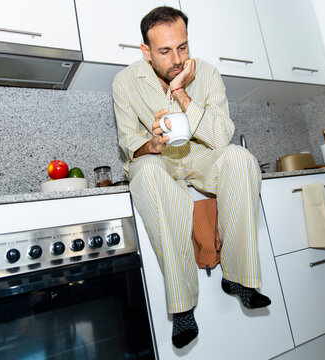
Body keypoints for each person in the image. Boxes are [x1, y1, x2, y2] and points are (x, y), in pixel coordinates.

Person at [112, 6, 271, 349]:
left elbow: (221, 136)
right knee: (146, 172)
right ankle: (183, 307)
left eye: (182, 47)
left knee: (241, 158)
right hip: (163, 165)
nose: (177, 58)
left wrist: (182, 92)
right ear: (146, 51)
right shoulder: (124, 83)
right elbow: (129, 145)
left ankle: (239, 278)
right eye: (165, 51)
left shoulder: (208, 74)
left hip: (202, 160)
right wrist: (152, 143)